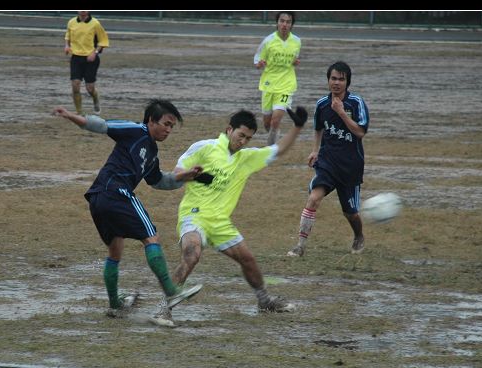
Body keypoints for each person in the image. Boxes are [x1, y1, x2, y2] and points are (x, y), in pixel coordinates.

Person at [150, 106, 309, 327]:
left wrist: (298, 127)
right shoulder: (205, 148)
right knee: (192, 254)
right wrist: (191, 175)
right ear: (229, 130)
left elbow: (278, 149)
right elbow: (177, 173)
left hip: (220, 222)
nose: (243, 141)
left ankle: (264, 301)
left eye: (248, 138)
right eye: (240, 135)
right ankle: (162, 309)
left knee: (248, 259)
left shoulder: (246, 158)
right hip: (194, 215)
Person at [52, 99, 205, 317]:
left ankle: (115, 305)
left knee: (115, 250)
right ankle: (171, 292)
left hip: (98, 198)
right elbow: (101, 125)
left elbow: (159, 181)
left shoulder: (152, 153)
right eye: (166, 124)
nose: (169, 130)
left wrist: (185, 176)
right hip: (116, 192)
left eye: (172, 126)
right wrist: (70, 115)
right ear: (151, 120)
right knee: (151, 237)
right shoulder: (135, 130)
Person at [287, 61, 370, 257]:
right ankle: (300, 246)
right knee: (313, 199)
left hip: (350, 166)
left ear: (347, 82)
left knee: (350, 212)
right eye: (333, 78)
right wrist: (315, 150)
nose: (336, 83)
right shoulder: (322, 104)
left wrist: (341, 112)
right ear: (328, 80)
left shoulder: (356, 103)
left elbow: (360, 132)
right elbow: (318, 128)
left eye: (341, 79)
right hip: (327, 163)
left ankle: (358, 236)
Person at [253, 11, 301, 146]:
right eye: (282, 21)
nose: (284, 24)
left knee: (275, 121)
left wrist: (294, 62)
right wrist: (259, 64)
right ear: (277, 23)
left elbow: (294, 58)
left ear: (291, 24)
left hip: (286, 85)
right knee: (267, 123)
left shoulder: (296, 41)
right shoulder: (268, 41)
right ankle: (274, 136)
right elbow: (257, 59)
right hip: (269, 84)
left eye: (288, 22)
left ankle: (272, 150)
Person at [64, 11, 109, 116]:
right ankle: (79, 112)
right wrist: (67, 46)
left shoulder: (95, 23)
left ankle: (95, 99)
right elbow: (68, 36)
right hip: (76, 58)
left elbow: (103, 41)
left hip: (90, 59)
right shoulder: (71, 22)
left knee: (90, 88)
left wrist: (95, 52)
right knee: (75, 85)